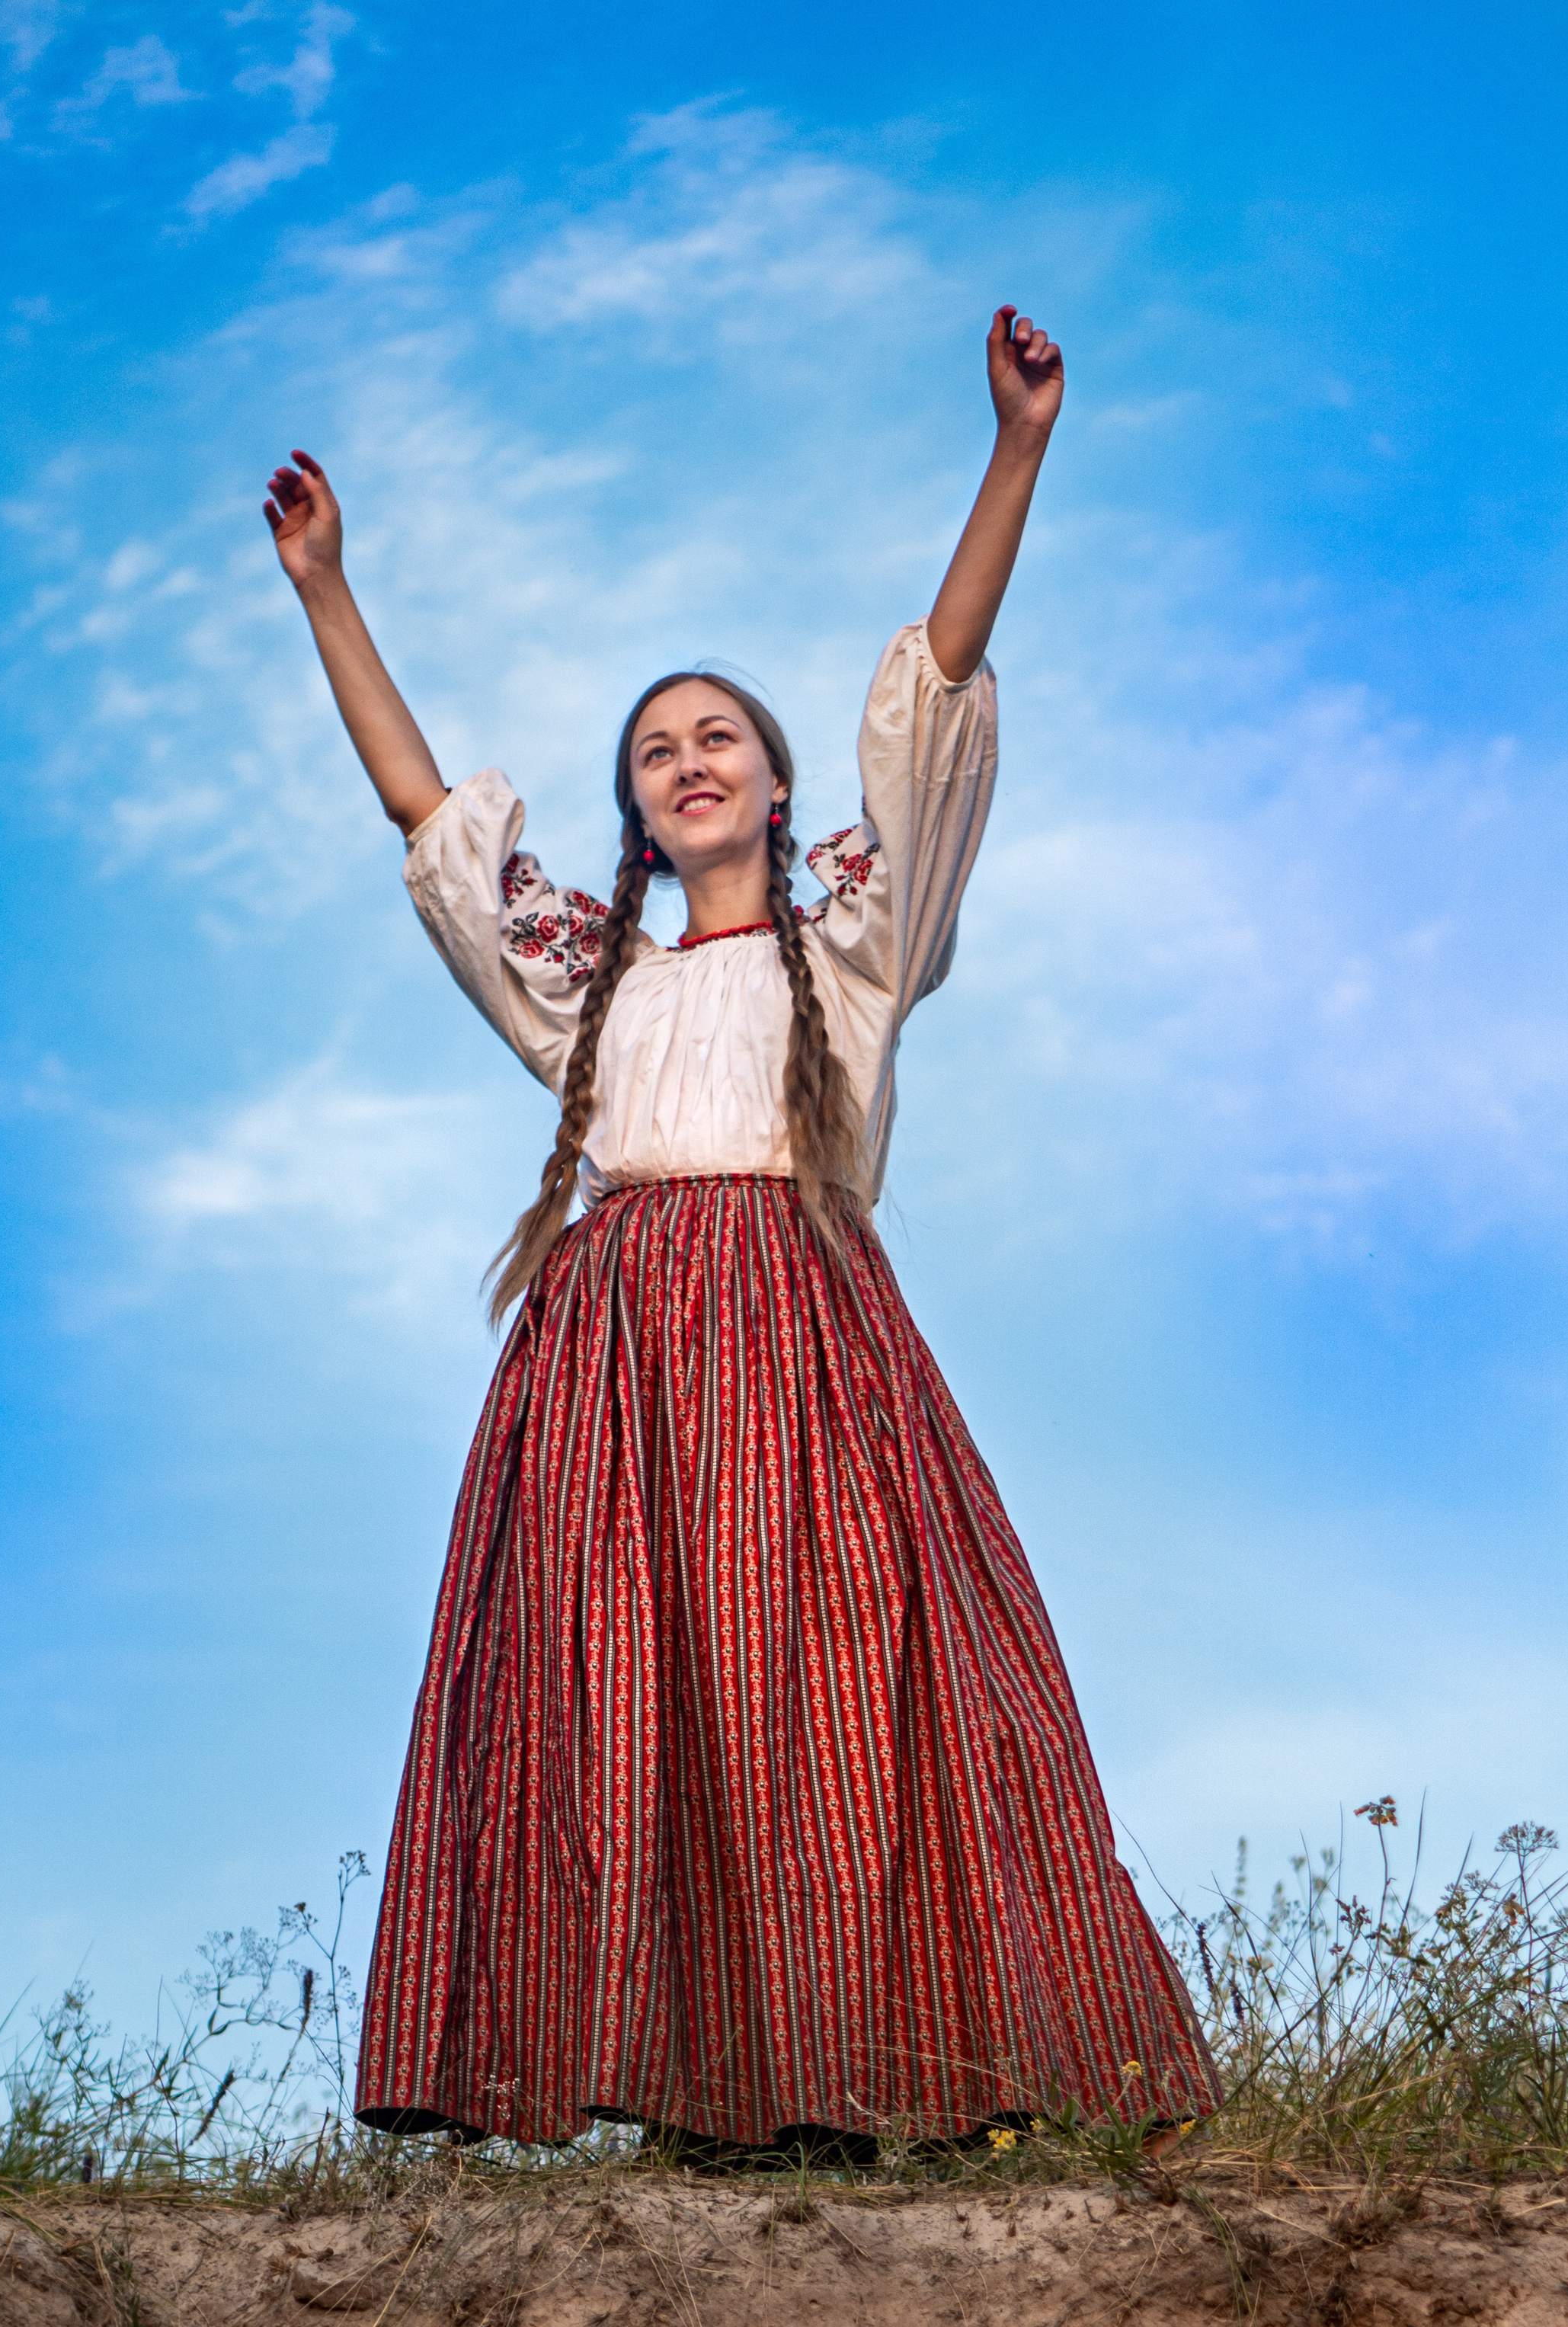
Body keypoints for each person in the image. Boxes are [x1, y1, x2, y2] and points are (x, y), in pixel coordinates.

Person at [264, 309, 1219, 2150]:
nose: (683, 759)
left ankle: (881, 2078)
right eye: (651, 751)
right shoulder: (586, 977)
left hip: (801, 1336)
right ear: (635, 809)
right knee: (635, 1709)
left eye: (715, 737)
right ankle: (700, 2099)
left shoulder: (853, 935)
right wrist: (326, 590)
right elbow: (423, 812)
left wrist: (1013, 449)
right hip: (615, 1359)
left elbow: (937, 691)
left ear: (776, 789)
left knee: (847, 1690)